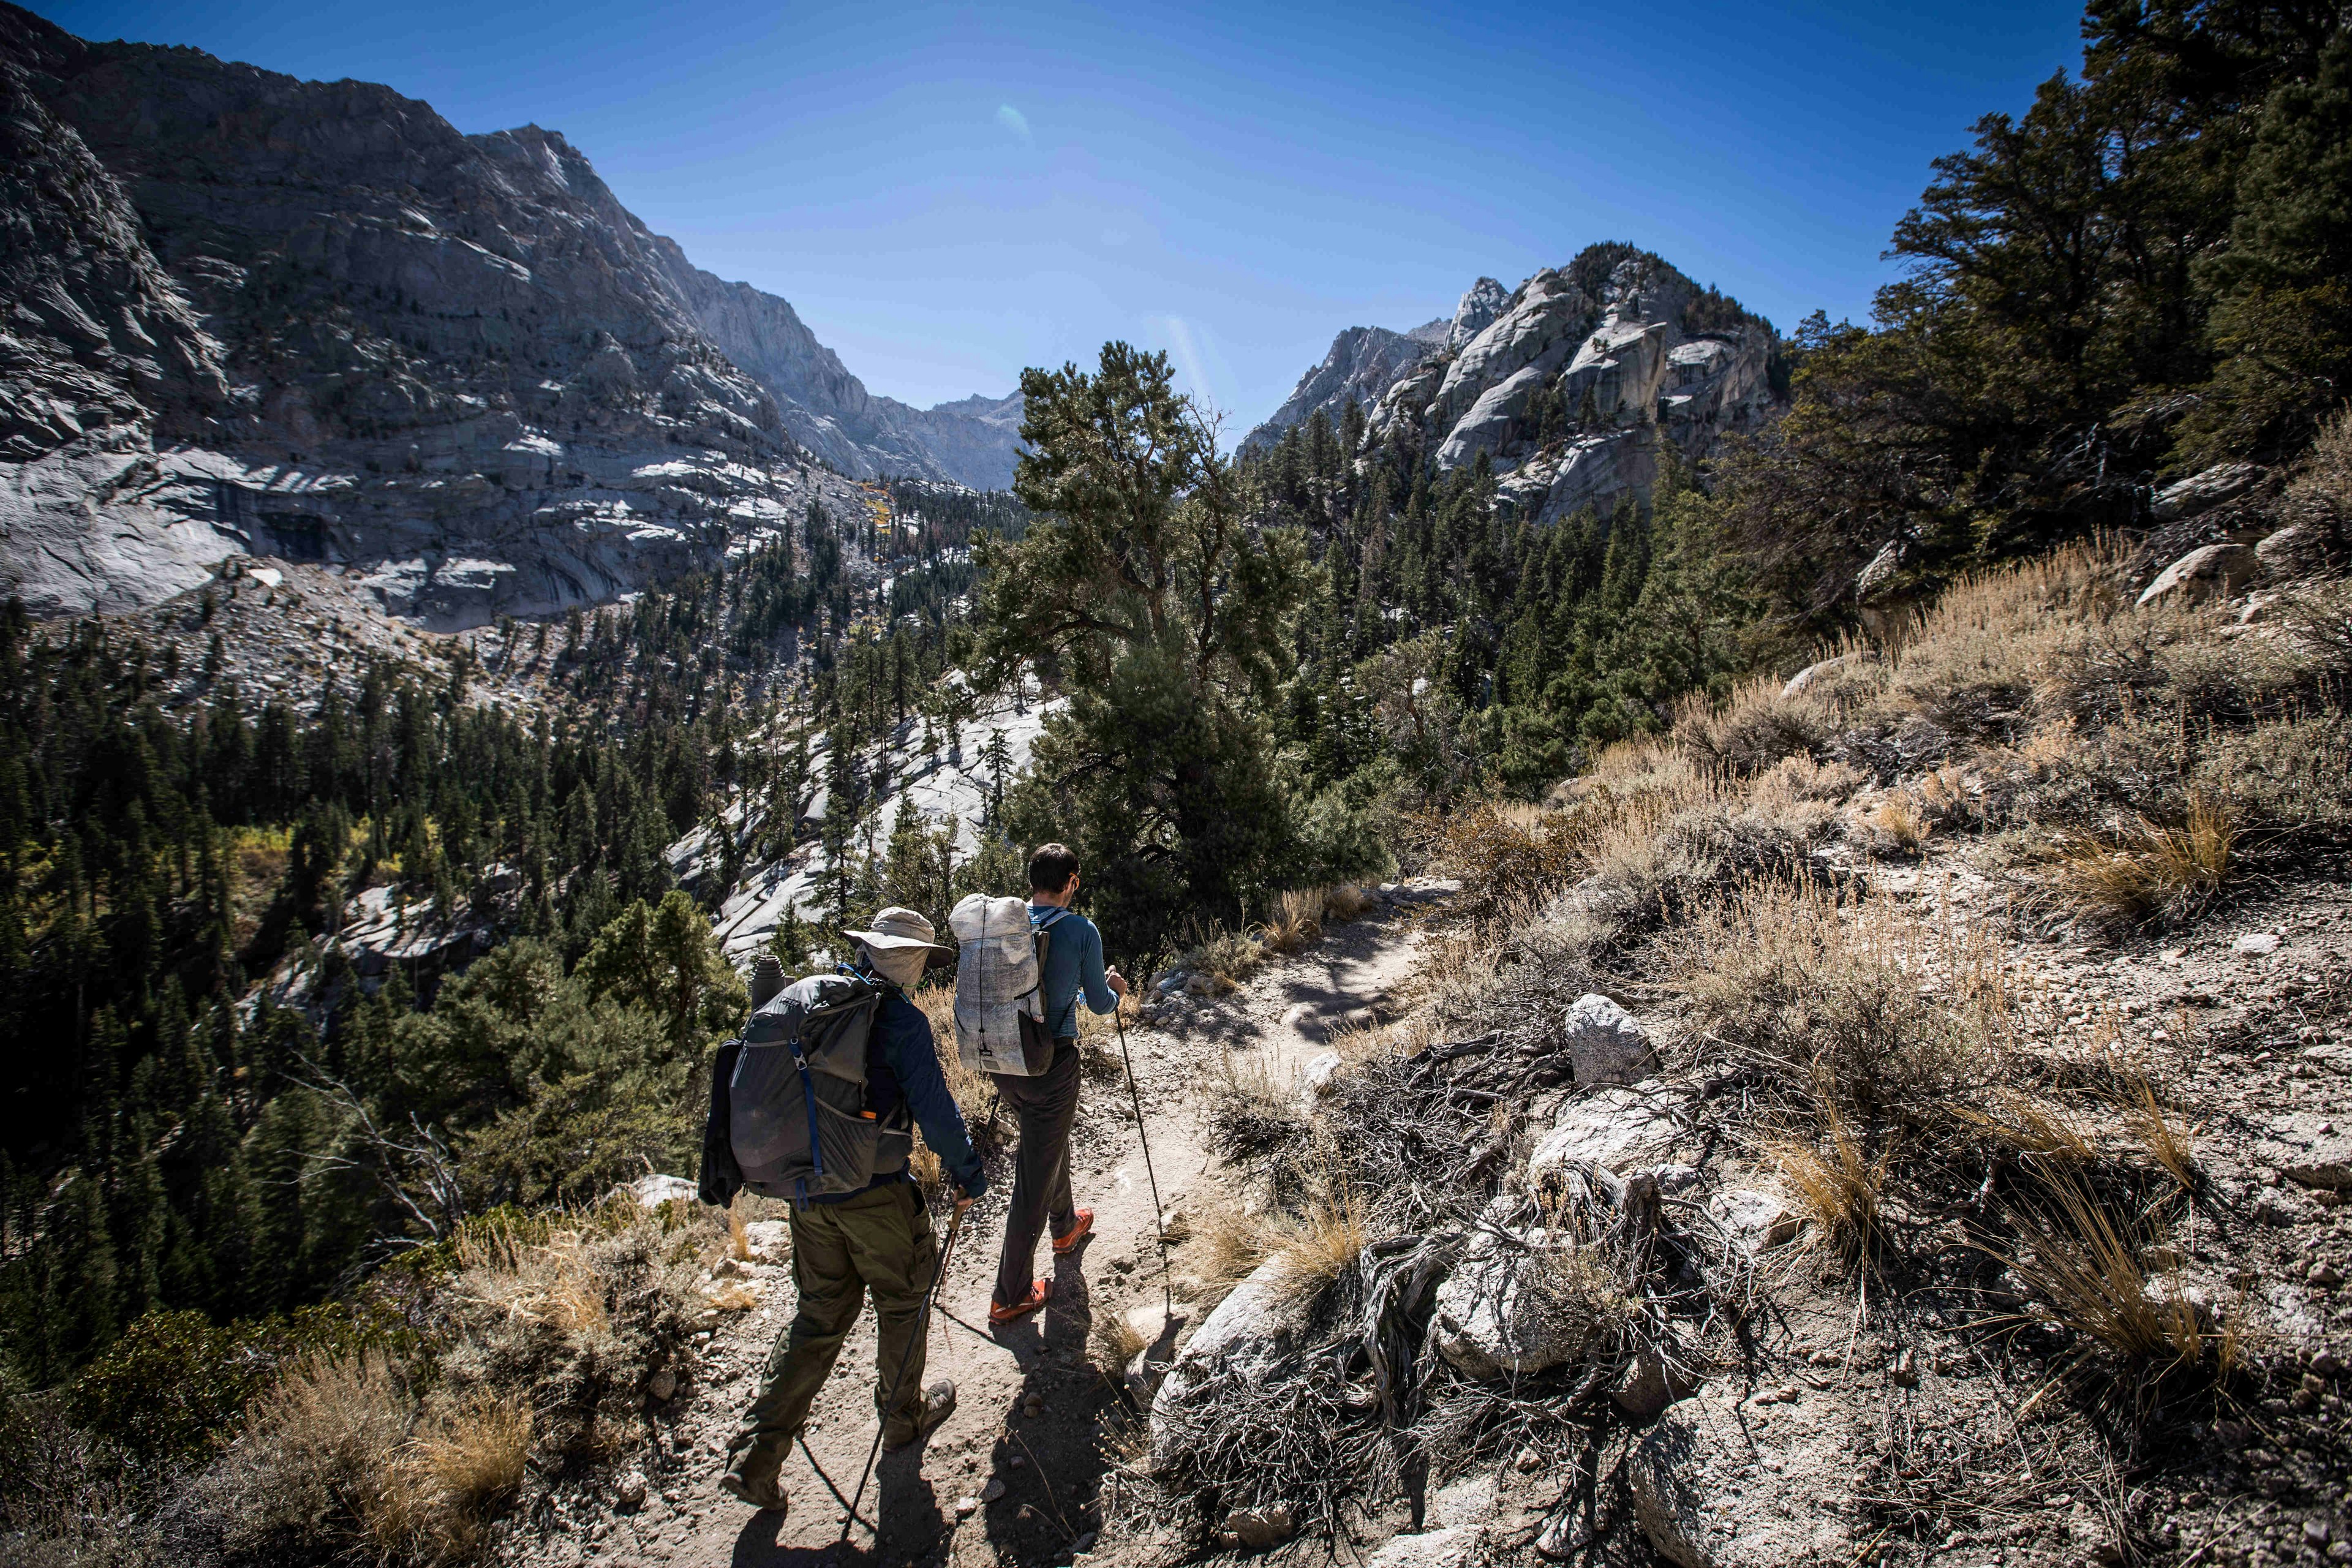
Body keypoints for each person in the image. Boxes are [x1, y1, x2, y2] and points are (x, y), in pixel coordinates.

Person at [720, 907, 987, 1515]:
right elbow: (939, 1115)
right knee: (901, 1299)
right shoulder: (901, 1022)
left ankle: (757, 1456)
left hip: (807, 1197)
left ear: (867, 950)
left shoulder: (811, 1004)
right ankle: (902, 1418)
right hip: (876, 1196)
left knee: (817, 1317)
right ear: (916, 963)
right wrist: (968, 1174)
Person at [987, 842, 1128, 1324]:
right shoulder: (1080, 930)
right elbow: (1099, 1003)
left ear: (1032, 881)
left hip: (1002, 1059)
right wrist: (1117, 990)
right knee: (1033, 1173)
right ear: (1071, 883)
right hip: (1052, 1062)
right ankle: (1010, 1294)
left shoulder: (1007, 923)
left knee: (1047, 1140)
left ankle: (1066, 1226)